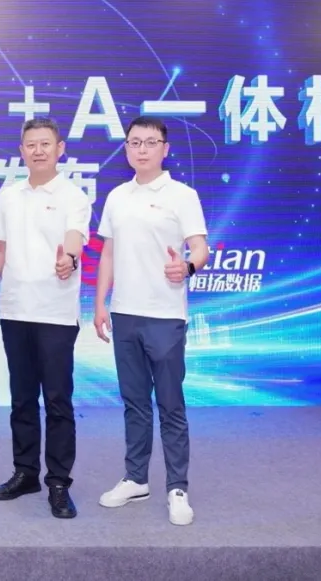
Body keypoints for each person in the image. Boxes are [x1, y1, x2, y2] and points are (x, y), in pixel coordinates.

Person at [93, 116, 210, 526]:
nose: (141, 149)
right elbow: (108, 253)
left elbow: (200, 248)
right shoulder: (117, 196)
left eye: (150, 142)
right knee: (134, 403)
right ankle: (135, 478)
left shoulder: (182, 195)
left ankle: (177, 488)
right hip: (125, 312)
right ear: (126, 148)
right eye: (134, 142)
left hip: (165, 315)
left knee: (170, 404)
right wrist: (99, 302)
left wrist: (188, 267)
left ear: (165, 148)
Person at [0, 117, 91, 519]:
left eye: (46, 143)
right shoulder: (9, 196)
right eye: (31, 144)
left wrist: (69, 259)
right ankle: (25, 472)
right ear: (21, 151)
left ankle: (58, 482)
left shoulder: (74, 195)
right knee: (22, 399)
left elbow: (75, 237)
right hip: (14, 310)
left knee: (57, 400)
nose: (38, 150)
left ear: (60, 148)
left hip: (56, 312)